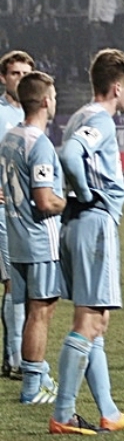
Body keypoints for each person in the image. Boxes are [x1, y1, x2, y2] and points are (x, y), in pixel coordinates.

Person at [50, 48, 124, 436]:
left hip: (75, 224)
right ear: (116, 86)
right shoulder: (100, 120)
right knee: (88, 321)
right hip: (93, 221)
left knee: (97, 320)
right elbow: (71, 154)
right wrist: (90, 195)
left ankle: (107, 411)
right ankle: (63, 414)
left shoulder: (78, 115)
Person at [0, 71, 65, 410]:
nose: (54, 102)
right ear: (43, 101)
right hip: (40, 239)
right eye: (52, 96)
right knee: (41, 312)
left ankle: (37, 377)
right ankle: (32, 386)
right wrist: (70, 201)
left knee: (29, 312)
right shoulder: (38, 144)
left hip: (16, 236)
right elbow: (44, 200)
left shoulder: (10, 137)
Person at [0, 52, 31, 380]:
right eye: (14, 73)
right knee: (14, 282)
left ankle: (15, 356)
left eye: (25, 73)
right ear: (3, 78)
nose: (19, 78)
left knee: (20, 282)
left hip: (26, 212)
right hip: (3, 211)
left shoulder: (32, 113)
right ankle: (15, 359)